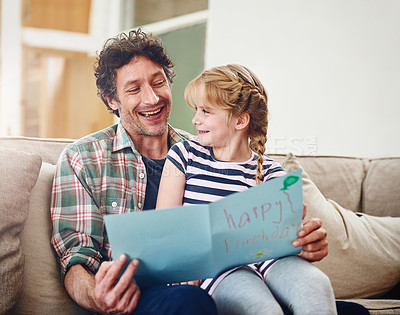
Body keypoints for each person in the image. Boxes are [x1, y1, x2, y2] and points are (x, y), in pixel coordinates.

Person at [51, 29, 331, 314]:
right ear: (112, 101)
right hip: (144, 297)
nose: (151, 98)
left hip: (225, 280)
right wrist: (97, 295)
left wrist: (300, 242)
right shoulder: (83, 158)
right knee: (191, 301)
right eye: (134, 89)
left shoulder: (207, 148)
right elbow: (76, 259)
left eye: (158, 82)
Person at [156, 64, 338, 314]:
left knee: (316, 286)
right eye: (196, 110)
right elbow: (165, 226)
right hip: (218, 268)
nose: (195, 119)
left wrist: (302, 238)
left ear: (240, 120)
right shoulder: (184, 155)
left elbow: (286, 234)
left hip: (272, 260)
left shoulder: (272, 173)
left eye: (206, 111)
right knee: (261, 307)